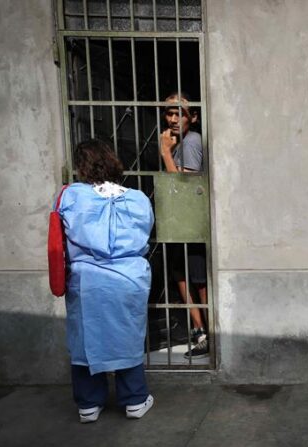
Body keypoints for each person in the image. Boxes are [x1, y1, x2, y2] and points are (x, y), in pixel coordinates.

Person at [57, 139, 155, 423]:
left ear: (80, 166)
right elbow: (146, 234)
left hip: (87, 279)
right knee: (127, 336)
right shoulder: (137, 199)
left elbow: (59, 237)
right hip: (128, 278)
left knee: (85, 338)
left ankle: (89, 404)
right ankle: (134, 399)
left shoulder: (70, 197)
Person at [159, 92, 209, 359]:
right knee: (181, 276)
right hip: (180, 222)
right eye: (170, 113)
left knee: (197, 280)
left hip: (191, 221)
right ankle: (200, 332)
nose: (174, 118)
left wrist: (166, 153)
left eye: (180, 113)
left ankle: (205, 333)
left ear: (194, 117)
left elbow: (183, 186)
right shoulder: (179, 140)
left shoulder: (190, 142)